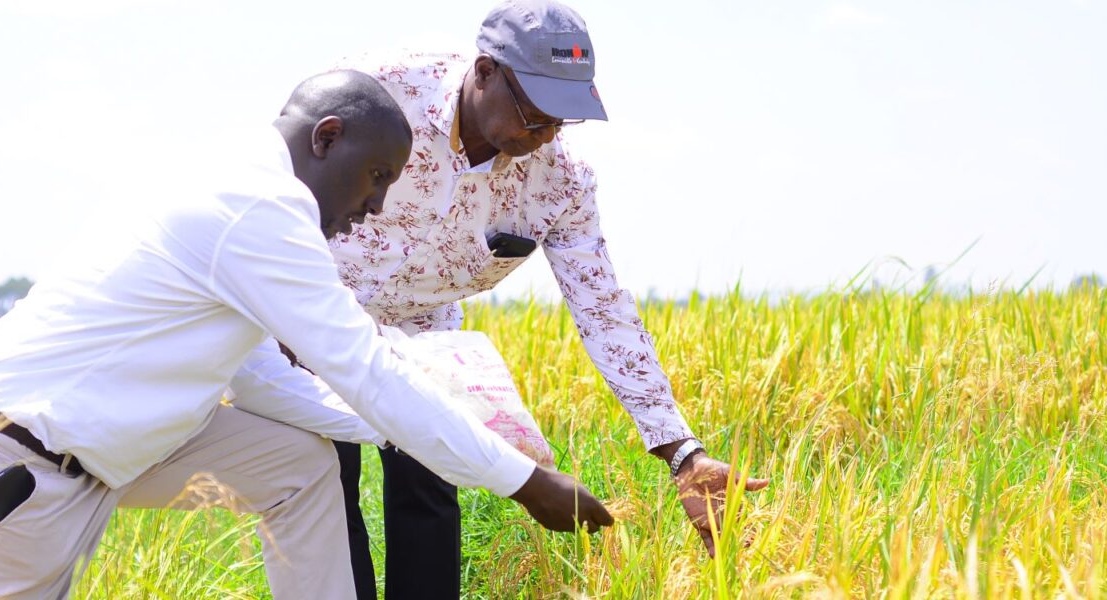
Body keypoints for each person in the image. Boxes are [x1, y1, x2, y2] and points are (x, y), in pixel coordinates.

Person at [0, 70, 612, 600]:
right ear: (325, 137)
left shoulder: (237, 183)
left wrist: (407, 433)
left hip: (76, 447)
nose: (373, 208)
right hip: (10, 455)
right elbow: (365, 370)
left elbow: (255, 377)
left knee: (297, 461)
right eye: (374, 178)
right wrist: (525, 483)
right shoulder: (261, 209)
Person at [277, 2, 770, 598]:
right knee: (327, 484)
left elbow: (603, 309)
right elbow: (284, 177)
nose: (547, 135)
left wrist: (682, 455)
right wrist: (272, 310)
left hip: (425, 338)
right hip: (317, 314)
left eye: (564, 119)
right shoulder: (379, 91)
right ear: (484, 72)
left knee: (431, 480)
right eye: (535, 113)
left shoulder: (560, 181)